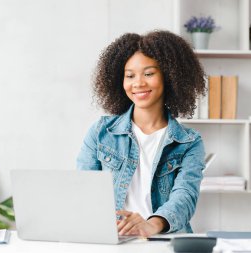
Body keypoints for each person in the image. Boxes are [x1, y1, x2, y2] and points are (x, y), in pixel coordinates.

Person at [76, 30, 206, 237]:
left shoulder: (189, 142)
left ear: (169, 76)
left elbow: (185, 196)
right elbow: (83, 189)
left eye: (148, 73)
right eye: (130, 76)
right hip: (112, 238)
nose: (138, 83)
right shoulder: (101, 132)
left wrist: (151, 225)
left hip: (164, 240)